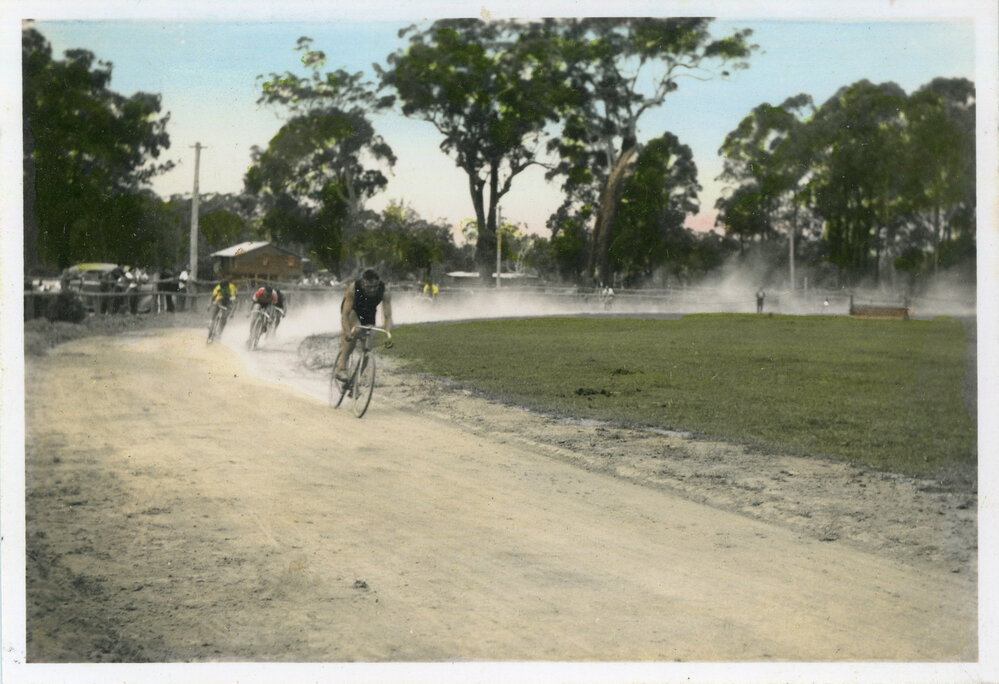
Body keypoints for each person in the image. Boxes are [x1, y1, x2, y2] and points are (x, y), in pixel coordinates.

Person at [335, 269, 393, 383]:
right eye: (368, 286)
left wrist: (387, 333)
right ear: (362, 283)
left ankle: (356, 381)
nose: (372, 290)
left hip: (368, 312)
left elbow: (388, 316)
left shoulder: (384, 290)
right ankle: (341, 368)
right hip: (352, 310)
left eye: (375, 286)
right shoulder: (353, 289)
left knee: (368, 346)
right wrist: (347, 332)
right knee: (355, 331)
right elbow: (345, 315)